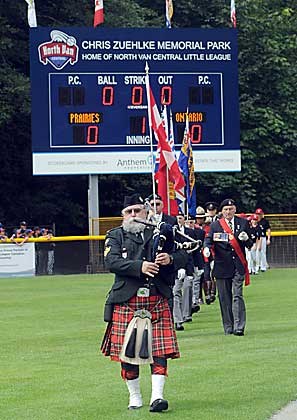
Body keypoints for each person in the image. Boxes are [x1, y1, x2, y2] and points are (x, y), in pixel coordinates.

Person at [101, 193, 188, 412]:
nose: (133, 215)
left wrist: (170, 259)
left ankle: (157, 397)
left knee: (158, 350)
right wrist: (139, 266)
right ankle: (135, 397)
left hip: (156, 296)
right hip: (126, 299)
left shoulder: (160, 234)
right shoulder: (115, 235)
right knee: (127, 351)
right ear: (123, 215)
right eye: (128, 212)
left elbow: (184, 256)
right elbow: (111, 261)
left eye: (137, 210)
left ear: (146, 212)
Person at [203, 199, 253, 336]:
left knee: (237, 295)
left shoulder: (243, 223)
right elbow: (208, 240)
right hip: (222, 266)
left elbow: (250, 244)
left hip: (237, 265)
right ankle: (228, 326)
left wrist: (246, 239)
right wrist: (206, 249)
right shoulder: (215, 225)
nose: (228, 212)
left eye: (230, 209)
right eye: (225, 209)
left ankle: (239, 326)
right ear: (222, 211)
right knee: (224, 298)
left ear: (235, 209)